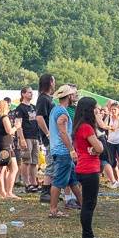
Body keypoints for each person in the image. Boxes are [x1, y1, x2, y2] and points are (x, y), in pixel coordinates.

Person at [72, 97, 108, 238]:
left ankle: (87, 236)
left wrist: (95, 148)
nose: (98, 111)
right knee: (89, 204)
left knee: (87, 203)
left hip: (83, 167)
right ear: (89, 110)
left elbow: (94, 148)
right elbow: (100, 148)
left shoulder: (79, 126)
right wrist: (97, 147)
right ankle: (88, 237)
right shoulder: (86, 127)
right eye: (96, 108)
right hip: (89, 169)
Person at [47, 85, 82, 218]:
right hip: (63, 151)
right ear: (69, 96)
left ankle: (83, 204)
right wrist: (71, 150)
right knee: (59, 181)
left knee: (72, 180)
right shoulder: (62, 113)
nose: (75, 96)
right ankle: (53, 210)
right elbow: (63, 133)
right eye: (73, 94)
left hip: (58, 150)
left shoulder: (55, 109)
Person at [0, 100, 20, 199]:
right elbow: (9, 131)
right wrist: (16, 127)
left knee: (10, 168)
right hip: (5, 145)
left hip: (0, 144)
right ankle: (6, 192)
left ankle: (4, 192)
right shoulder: (4, 117)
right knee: (2, 170)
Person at [13, 87, 40, 191]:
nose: (31, 94)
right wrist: (22, 138)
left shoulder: (33, 107)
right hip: (26, 136)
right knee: (26, 160)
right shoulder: (20, 108)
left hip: (35, 136)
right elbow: (18, 124)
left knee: (34, 161)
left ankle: (34, 182)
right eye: (29, 92)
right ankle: (27, 183)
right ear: (23, 94)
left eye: (32, 93)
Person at [35, 74, 55, 203]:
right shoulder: (43, 98)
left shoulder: (48, 98)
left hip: (53, 135)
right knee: (51, 163)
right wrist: (48, 133)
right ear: (50, 82)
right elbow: (39, 117)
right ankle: (45, 192)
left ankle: (52, 191)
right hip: (50, 136)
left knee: (54, 163)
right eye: (54, 81)